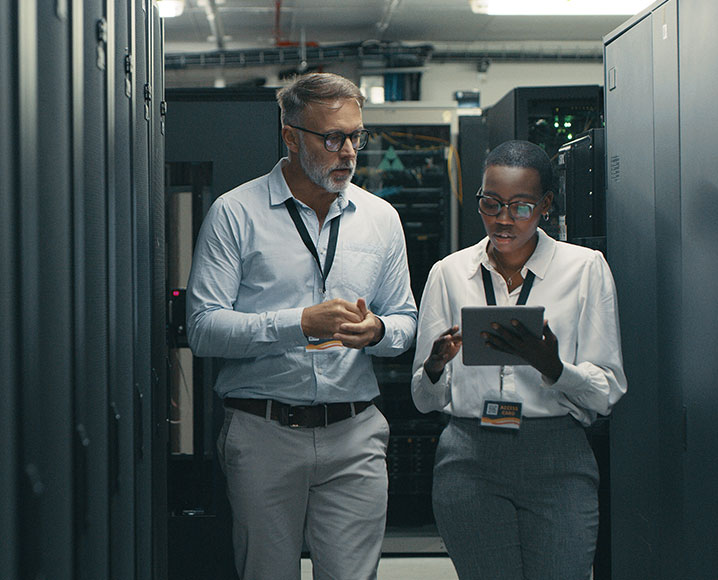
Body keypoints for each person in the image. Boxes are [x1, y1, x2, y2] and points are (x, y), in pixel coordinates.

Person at [186, 72, 417, 580]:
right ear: (290, 135)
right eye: (332, 137)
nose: (348, 152)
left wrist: (377, 331)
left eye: (357, 136)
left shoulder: (381, 219)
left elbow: (405, 321)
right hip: (264, 432)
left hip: (355, 434)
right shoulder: (236, 213)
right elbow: (202, 328)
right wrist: (298, 324)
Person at [411, 140, 626, 579]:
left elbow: (606, 392)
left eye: (521, 206)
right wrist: (434, 366)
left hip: (557, 456)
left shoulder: (585, 269)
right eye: (491, 203)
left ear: (546, 204)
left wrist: (552, 366)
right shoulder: (449, 273)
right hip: (469, 456)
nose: (503, 219)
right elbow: (423, 399)